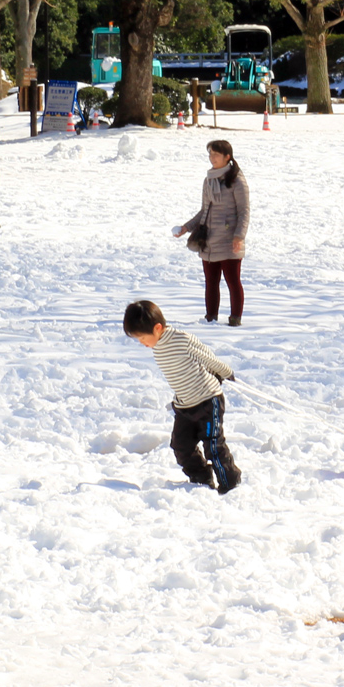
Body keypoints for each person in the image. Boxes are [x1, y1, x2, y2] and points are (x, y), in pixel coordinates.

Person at [124, 299, 241, 493]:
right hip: (185, 405)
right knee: (181, 446)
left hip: (208, 400)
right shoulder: (158, 346)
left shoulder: (181, 339)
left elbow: (207, 356)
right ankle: (201, 479)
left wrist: (225, 372)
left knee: (213, 445)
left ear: (157, 328)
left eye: (142, 338)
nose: (142, 343)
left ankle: (230, 483)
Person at [171, 139, 250, 325]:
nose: (212, 158)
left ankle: (235, 318)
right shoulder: (208, 180)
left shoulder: (236, 180)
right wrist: (186, 227)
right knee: (211, 282)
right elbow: (204, 210)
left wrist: (239, 236)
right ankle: (210, 317)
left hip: (230, 239)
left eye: (216, 154)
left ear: (227, 157)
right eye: (210, 154)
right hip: (208, 239)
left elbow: (244, 210)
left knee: (233, 281)